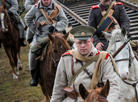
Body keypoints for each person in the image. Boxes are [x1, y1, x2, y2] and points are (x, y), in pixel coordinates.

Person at [51, 25, 120, 102]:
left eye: (86, 42)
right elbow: (58, 87)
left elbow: (112, 86)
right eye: (79, 42)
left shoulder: (103, 58)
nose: (83, 45)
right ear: (75, 42)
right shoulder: (66, 58)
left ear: (92, 41)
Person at [25, 0, 68, 86]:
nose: (46, 1)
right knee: (32, 51)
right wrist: (35, 30)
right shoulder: (35, 7)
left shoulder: (57, 7)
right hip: (41, 36)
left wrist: (55, 27)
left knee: (72, 46)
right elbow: (27, 18)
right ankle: (34, 75)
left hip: (56, 34)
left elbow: (64, 20)